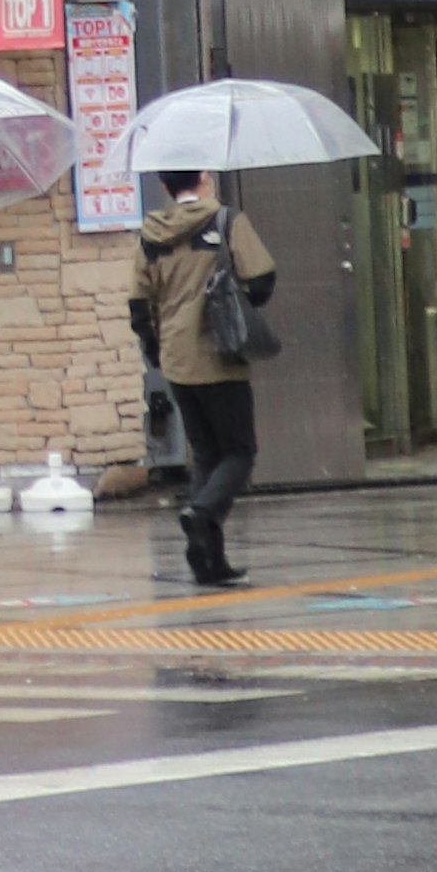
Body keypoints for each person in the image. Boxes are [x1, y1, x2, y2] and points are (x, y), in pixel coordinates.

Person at [132, 177, 276, 586]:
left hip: (176, 357)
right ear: (205, 179)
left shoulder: (151, 233)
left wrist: (156, 349)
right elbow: (262, 278)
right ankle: (202, 511)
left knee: (207, 454)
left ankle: (208, 561)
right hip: (220, 354)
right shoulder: (227, 220)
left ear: (165, 184)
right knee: (240, 451)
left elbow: (138, 303)